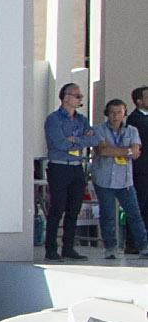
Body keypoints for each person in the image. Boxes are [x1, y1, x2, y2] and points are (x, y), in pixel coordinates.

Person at [89, 97, 146, 260]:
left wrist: (117, 150)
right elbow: (102, 151)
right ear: (107, 113)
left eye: (119, 112)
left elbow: (136, 152)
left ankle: (144, 246)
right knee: (107, 214)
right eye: (112, 112)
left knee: (134, 214)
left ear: (124, 113)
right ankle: (111, 248)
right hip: (104, 179)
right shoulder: (99, 129)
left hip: (125, 181)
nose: (115, 116)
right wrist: (126, 150)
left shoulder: (132, 130)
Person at [43, 84, 93, 261]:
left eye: (81, 96)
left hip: (76, 167)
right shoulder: (54, 119)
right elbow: (59, 143)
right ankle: (50, 249)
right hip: (59, 167)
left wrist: (75, 140)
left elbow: (92, 138)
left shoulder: (82, 120)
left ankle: (68, 247)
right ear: (65, 97)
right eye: (77, 96)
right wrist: (79, 142)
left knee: (74, 209)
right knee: (57, 208)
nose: (80, 99)